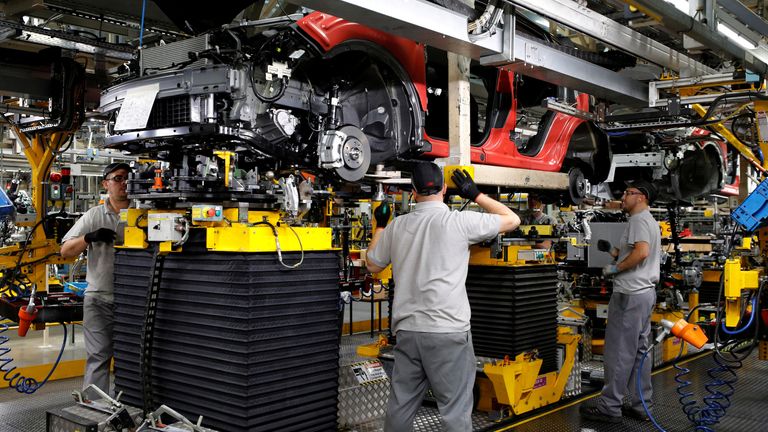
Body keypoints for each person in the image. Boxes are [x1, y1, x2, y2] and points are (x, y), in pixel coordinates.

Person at [365, 162, 520, 431]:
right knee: (455, 410)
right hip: (448, 332)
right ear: (445, 189)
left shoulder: (397, 226)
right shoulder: (460, 222)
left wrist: (380, 226)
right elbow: (513, 220)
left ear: (413, 192)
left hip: (408, 331)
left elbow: (372, 264)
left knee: (401, 405)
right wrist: (475, 195)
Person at [580, 179, 661, 424]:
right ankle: (640, 405)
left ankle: (610, 407)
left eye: (629, 192)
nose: (624, 196)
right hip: (644, 294)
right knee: (639, 352)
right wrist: (613, 251)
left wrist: (615, 268)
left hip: (630, 294)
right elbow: (637, 253)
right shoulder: (648, 221)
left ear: (641, 197)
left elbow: (642, 252)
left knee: (618, 352)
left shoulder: (638, 220)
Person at [61, 162, 131, 398]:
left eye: (129, 178)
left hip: (134, 300)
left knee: (133, 358)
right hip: (99, 298)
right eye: (118, 178)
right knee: (99, 357)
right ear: (106, 184)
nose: (125, 183)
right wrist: (89, 237)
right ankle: (95, 409)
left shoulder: (148, 213)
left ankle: (130, 406)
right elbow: (66, 251)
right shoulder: (94, 215)